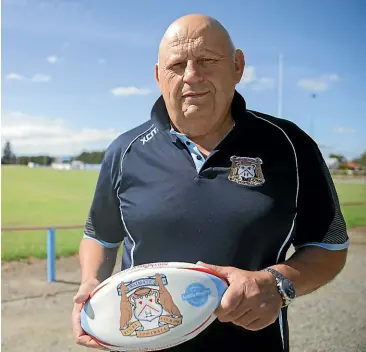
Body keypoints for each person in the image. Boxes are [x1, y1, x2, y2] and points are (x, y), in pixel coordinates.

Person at [72, 14, 349, 352]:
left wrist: (278, 284)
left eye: (206, 60)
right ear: (159, 76)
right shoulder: (125, 151)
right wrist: (91, 283)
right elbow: (99, 235)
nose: (192, 75)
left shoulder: (290, 145)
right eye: (177, 65)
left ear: (238, 66)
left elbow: (329, 246)